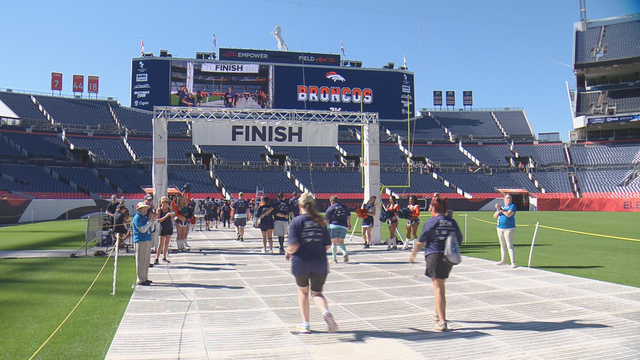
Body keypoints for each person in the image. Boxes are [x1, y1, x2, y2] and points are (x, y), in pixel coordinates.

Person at [285, 192, 338, 334]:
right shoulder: (320, 221)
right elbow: (328, 245)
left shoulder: (296, 221)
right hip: (319, 263)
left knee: (303, 292)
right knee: (317, 293)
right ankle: (325, 311)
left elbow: (294, 245)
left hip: (301, 262)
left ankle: (306, 324)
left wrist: (288, 252)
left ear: (300, 205)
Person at [409, 195, 462, 331]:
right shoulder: (451, 221)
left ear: (434, 208)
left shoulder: (431, 222)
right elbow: (459, 238)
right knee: (441, 285)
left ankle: (442, 322)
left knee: (438, 288)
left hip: (434, 255)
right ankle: (437, 312)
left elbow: (421, 241)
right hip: (448, 257)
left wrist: (413, 253)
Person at [133, 201, 157, 286]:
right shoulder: (137, 218)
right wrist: (150, 221)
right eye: (144, 209)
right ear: (139, 209)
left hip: (147, 239)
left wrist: (152, 220)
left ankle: (145, 277)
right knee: (141, 260)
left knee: (146, 260)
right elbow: (142, 229)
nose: (145, 210)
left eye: (146, 209)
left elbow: (152, 228)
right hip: (140, 240)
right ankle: (140, 279)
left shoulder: (145, 217)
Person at [325, 195, 351, 263]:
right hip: (344, 225)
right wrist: (349, 223)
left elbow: (327, 220)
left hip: (334, 226)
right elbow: (349, 215)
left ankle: (334, 259)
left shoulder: (330, 208)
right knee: (341, 242)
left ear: (331, 202)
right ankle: (344, 253)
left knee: (334, 242)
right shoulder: (344, 206)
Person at [494, 194, 517, 268]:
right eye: (507, 198)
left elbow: (509, 214)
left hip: (509, 228)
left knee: (509, 244)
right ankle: (503, 259)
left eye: (510, 198)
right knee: (502, 244)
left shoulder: (512, 206)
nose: (509, 199)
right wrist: (498, 210)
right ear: (504, 199)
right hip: (500, 227)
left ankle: (513, 262)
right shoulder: (502, 206)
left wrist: (501, 210)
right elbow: (495, 216)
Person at [154, 196, 175, 265]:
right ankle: (157, 258)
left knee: (167, 242)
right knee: (161, 243)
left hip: (169, 226)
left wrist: (172, 216)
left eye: (167, 202)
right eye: (164, 202)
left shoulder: (169, 209)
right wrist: (166, 216)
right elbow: (158, 220)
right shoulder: (159, 210)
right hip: (163, 227)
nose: (166, 204)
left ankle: (164, 256)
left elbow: (172, 220)